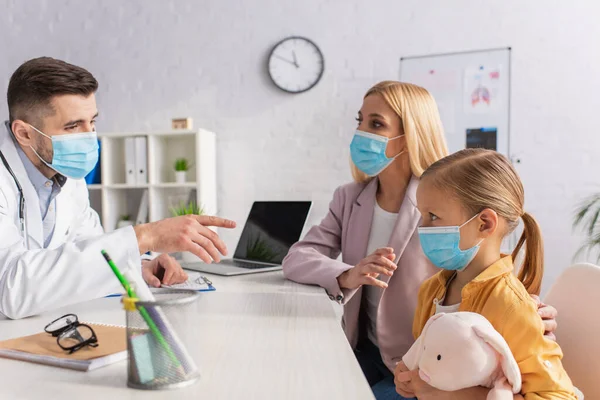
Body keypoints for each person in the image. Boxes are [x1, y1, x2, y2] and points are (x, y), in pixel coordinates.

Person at [282, 81, 558, 400]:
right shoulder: (350, 197)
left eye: (376, 124)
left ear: (410, 132)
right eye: (360, 121)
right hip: (363, 348)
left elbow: (486, 264)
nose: (361, 133)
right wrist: (347, 273)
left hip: (425, 364)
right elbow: (298, 257)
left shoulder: (444, 202)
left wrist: (527, 310)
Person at [0, 57, 236, 320]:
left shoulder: (66, 173)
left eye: (93, 122)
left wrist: (137, 266)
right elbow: (10, 290)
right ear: (24, 133)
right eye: (73, 126)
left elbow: (86, 250)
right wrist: (145, 236)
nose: (89, 137)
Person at [394, 148, 576, 399]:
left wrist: (450, 395)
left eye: (433, 216)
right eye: (422, 216)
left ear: (484, 223)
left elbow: (557, 396)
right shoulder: (431, 291)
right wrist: (406, 376)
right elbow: (427, 363)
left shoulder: (512, 307)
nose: (421, 227)